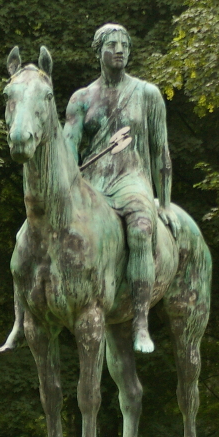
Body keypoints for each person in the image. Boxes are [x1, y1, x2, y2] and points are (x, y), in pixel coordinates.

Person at [64, 23, 180, 353]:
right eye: (111, 44)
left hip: (132, 181)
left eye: (124, 45)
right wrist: (70, 178)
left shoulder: (148, 94)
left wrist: (165, 204)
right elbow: (69, 145)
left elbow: (161, 151)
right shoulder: (81, 99)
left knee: (142, 229)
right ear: (98, 50)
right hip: (92, 184)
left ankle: (141, 322)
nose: (119, 50)